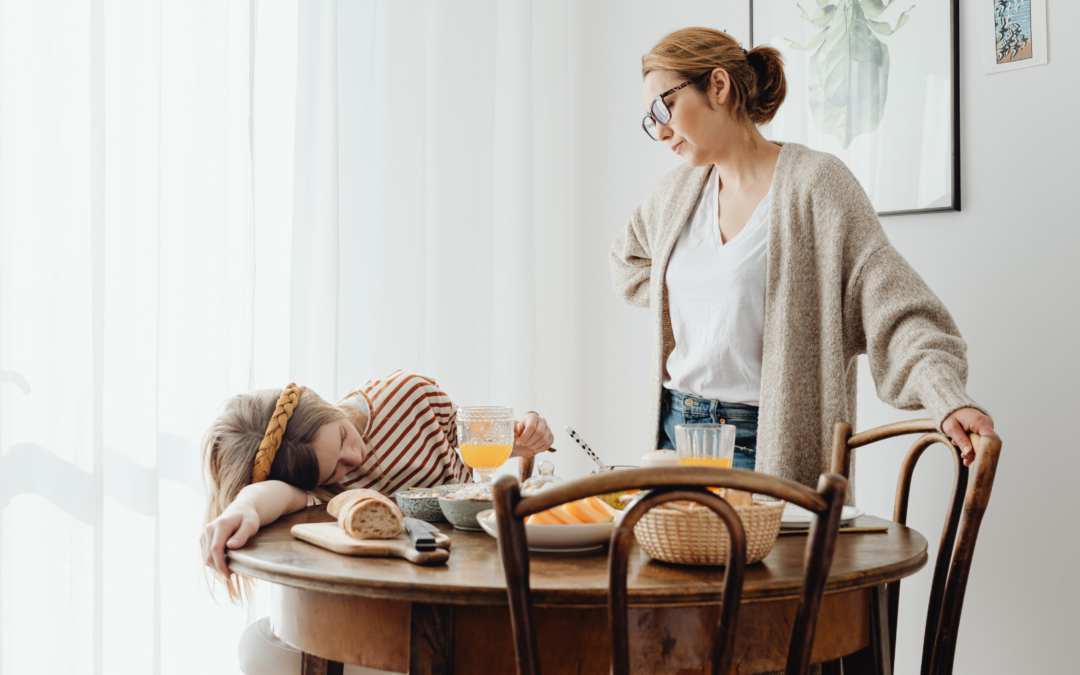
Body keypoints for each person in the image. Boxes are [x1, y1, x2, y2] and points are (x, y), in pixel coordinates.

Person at [610, 27, 997, 490]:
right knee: (668, 564)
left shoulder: (817, 185)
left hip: (767, 441)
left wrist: (946, 397)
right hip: (674, 435)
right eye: (649, 119)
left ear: (717, 85)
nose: (660, 130)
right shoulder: (673, 196)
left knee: (775, 564)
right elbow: (628, 262)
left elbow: (895, 309)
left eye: (663, 107)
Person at [200, 370, 553, 674]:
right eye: (336, 467)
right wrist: (242, 508)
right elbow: (276, 494)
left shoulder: (409, 396)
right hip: (399, 609)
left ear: (313, 396)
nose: (354, 457)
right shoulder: (321, 488)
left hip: (476, 582)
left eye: (341, 436)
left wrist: (522, 436)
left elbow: (475, 435)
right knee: (260, 648)